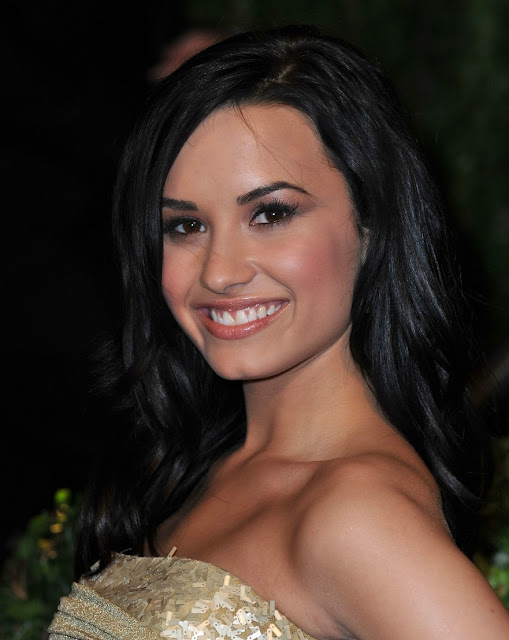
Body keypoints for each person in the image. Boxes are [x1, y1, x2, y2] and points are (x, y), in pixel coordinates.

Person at [49, 25, 509, 640]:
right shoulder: (197, 470)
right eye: (185, 226)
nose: (219, 271)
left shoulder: (357, 516)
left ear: (372, 224)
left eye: (270, 214)